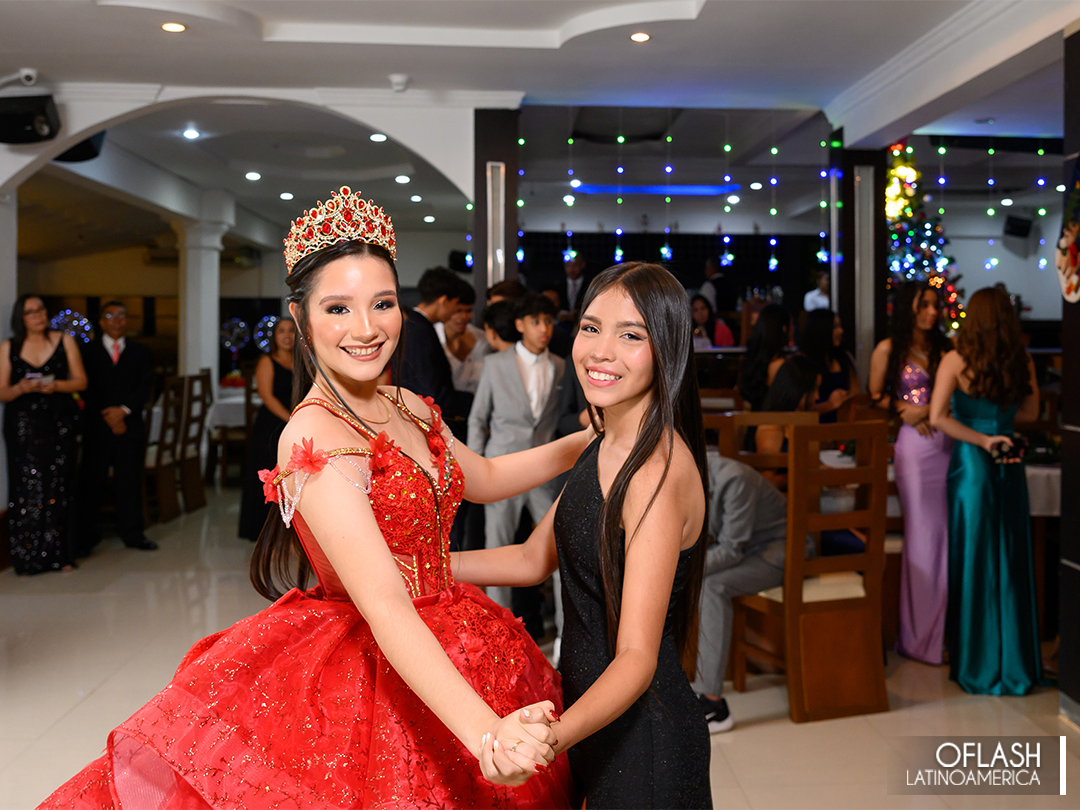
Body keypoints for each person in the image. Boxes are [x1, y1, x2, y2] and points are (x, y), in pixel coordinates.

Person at [42, 188, 587, 809]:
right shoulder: (315, 435)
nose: (366, 328)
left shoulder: (407, 404)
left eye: (383, 303)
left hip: (462, 632)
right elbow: (385, 605)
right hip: (374, 663)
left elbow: (484, 476)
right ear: (300, 319)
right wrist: (486, 734)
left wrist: (586, 443)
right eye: (338, 308)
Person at [453, 262, 712, 808]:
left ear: (667, 350)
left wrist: (548, 741)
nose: (600, 351)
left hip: (643, 738)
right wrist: (423, 566)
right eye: (591, 328)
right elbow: (530, 557)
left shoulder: (653, 473)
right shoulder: (603, 440)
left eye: (631, 336)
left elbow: (636, 658)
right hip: (593, 718)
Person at [929, 286, 1041, 696]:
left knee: (973, 558)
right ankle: (1015, 665)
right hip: (1009, 460)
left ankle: (976, 665)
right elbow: (1030, 412)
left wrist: (980, 438)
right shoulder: (1021, 360)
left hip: (973, 466)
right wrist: (1000, 428)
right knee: (1011, 558)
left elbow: (937, 417)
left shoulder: (956, 359)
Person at [868, 282, 953, 665]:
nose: (932, 312)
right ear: (909, 308)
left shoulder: (945, 349)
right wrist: (905, 409)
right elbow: (874, 395)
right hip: (915, 449)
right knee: (922, 538)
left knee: (948, 538)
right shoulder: (888, 349)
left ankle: (945, 634)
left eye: (935, 305)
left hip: (949, 444)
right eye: (924, 305)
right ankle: (919, 640)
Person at [694, 453, 808, 734]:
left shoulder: (734, 479)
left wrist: (683, 569)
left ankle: (713, 705)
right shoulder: (693, 475)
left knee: (710, 586)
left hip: (783, 551)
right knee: (694, 580)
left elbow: (732, 548)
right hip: (750, 549)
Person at [468, 293, 564, 612]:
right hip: (501, 470)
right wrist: (474, 468)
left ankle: (565, 634)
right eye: (536, 322)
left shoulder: (561, 366)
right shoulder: (496, 364)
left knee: (561, 553)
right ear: (520, 325)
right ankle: (498, 633)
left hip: (546, 472)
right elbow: (478, 418)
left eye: (548, 321)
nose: (544, 329)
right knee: (496, 554)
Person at [0, 295, 86, 574]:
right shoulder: (9, 347)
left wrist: (57, 385)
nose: (38, 315)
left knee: (59, 483)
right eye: (30, 312)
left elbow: (81, 381)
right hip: (22, 425)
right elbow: (2, 391)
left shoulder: (64, 340)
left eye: (41, 310)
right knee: (26, 486)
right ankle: (28, 556)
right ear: (21, 318)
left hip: (59, 421)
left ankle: (61, 555)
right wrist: (21, 388)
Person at [77, 300, 156, 555]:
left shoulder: (139, 351)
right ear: (101, 322)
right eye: (110, 316)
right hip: (96, 426)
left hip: (129, 425)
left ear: (127, 321)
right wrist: (110, 416)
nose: (116, 320)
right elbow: (84, 387)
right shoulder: (86, 352)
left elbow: (145, 385)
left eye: (121, 315)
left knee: (129, 480)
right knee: (91, 481)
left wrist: (123, 412)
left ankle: (133, 533)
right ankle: (87, 535)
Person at [237, 316, 295, 541]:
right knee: (269, 478)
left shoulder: (302, 362)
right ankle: (263, 532)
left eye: (291, 330)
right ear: (274, 337)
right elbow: (267, 396)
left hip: (295, 426)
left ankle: (291, 533)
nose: (287, 335)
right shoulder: (266, 361)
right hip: (271, 427)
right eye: (282, 331)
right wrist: (291, 419)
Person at [400, 266, 473, 437]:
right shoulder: (420, 331)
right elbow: (429, 390)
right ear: (443, 300)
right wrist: (472, 401)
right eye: (455, 305)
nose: (454, 312)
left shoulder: (416, 326)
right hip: (423, 422)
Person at [754, 354, 820, 455]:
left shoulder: (802, 419)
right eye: (813, 390)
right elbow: (769, 466)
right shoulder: (771, 428)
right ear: (796, 390)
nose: (817, 396)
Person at [800, 308, 858, 421]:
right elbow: (800, 410)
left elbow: (856, 394)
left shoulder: (844, 358)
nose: (841, 331)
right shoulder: (803, 363)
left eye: (840, 326)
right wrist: (829, 405)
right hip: (813, 426)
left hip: (843, 423)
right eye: (835, 327)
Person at [434, 284, 490, 395]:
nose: (463, 317)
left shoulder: (483, 339)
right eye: (458, 311)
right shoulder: (432, 337)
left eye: (468, 311)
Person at [738, 303, 791, 412]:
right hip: (774, 420)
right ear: (784, 328)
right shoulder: (780, 365)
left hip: (755, 418)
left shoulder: (753, 359)